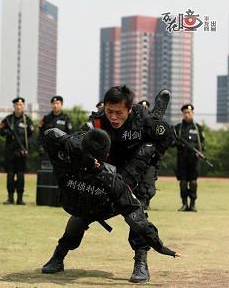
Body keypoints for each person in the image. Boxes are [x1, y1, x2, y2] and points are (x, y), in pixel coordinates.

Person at [40, 128, 181, 281]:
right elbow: (50, 134)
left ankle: (141, 262)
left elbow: (136, 216)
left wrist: (159, 246)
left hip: (110, 203)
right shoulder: (69, 153)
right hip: (83, 203)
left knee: (137, 218)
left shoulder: (111, 179)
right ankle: (58, 256)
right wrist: (77, 144)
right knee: (77, 222)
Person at [81, 85, 175, 283]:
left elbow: (167, 137)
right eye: (109, 112)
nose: (113, 117)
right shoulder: (97, 121)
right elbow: (80, 141)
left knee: (136, 209)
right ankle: (59, 253)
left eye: (119, 113)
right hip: (113, 169)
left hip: (142, 167)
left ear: (129, 109)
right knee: (85, 209)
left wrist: (152, 153)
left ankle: (141, 261)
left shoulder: (141, 118)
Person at [0, 97, 34, 205]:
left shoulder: (27, 120)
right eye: (17, 105)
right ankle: (10, 198)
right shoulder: (8, 119)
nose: (19, 107)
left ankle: (20, 198)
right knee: (10, 175)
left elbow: (31, 134)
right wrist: (7, 132)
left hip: (21, 152)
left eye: (21, 105)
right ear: (14, 106)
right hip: (10, 152)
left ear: (23, 106)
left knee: (20, 175)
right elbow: (1, 131)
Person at [174, 104, 205, 212]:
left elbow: (202, 143)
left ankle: (192, 204)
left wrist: (200, 152)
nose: (187, 114)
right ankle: (184, 204)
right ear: (182, 114)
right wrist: (180, 144)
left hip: (194, 160)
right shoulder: (178, 128)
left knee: (193, 182)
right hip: (182, 159)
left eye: (189, 112)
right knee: (183, 182)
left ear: (192, 113)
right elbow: (172, 142)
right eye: (185, 112)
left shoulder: (198, 128)